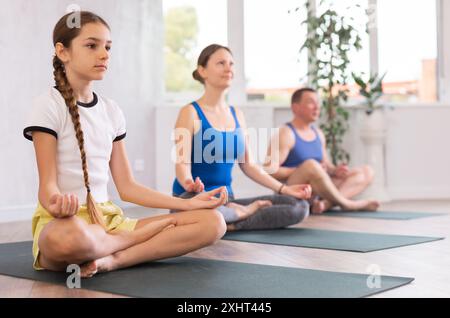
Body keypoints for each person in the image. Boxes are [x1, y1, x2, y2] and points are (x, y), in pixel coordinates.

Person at [23, 11, 228, 278]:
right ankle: (129, 239)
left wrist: (187, 205)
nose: (104, 54)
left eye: (108, 47)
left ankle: (113, 260)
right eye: (92, 45)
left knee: (214, 222)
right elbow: (47, 186)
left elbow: (127, 187)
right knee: (71, 239)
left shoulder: (112, 111)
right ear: (63, 52)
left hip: (108, 222)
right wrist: (56, 203)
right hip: (65, 224)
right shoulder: (48, 105)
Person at [172, 44, 312, 231]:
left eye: (231, 63)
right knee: (211, 211)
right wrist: (190, 184)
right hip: (191, 199)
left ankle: (231, 220)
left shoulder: (237, 114)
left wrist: (284, 189)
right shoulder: (189, 112)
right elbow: (181, 164)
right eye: (221, 63)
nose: (228, 68)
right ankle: (233, 216)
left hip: (225, 200)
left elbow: (249, 165)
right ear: (202, 70)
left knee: (298, 206)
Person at [264, 87, 380, 214]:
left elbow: (326, 165)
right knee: (311, 165)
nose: (317, 107)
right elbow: (270, 169)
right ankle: (347, 203)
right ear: (295, 108)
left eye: (317, 103)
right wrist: (303, 169)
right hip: (293, 190)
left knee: (367, 172)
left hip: (318, 189)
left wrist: (335, 170)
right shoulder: (284, 133)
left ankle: (326, 204)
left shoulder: (318, 133)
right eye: (310, 102)